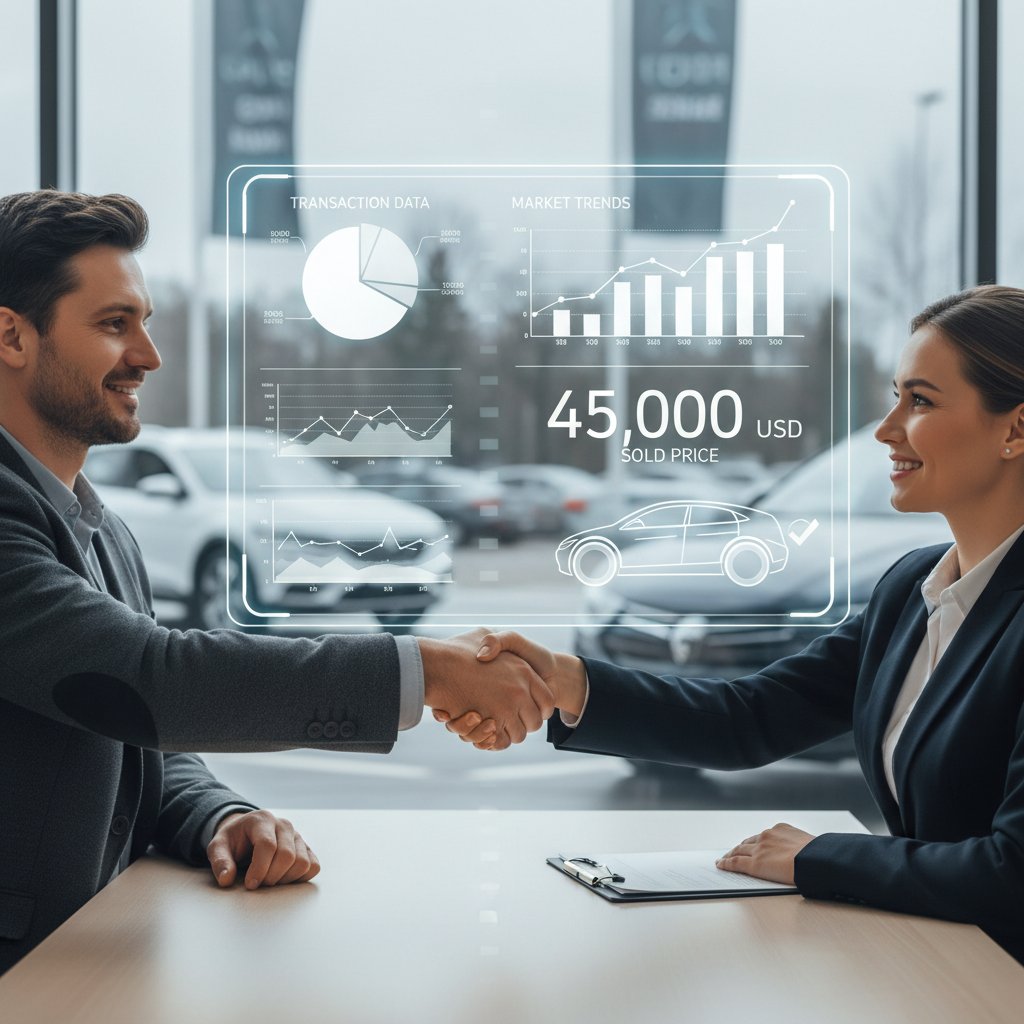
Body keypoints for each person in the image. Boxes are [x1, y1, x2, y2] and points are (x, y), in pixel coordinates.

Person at [0, 189, 552, 974]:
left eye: (145, 322)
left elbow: (131, 736)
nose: (149, 356)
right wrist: (426, 671)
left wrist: (218, 813)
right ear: (11, 336)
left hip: (85, 967)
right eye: (114, 323)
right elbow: (142, 685)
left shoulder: (100, 526)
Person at [441, 284, 1024, 964]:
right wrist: (568, 682)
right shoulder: (910, 590)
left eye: (920, 401)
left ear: (1015, 429)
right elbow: (749, 717)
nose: (886, 429)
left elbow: (1010, 875)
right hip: (944, 963)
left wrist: (818, 858)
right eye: (895, 396)